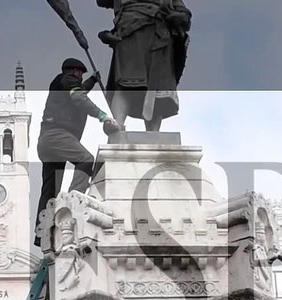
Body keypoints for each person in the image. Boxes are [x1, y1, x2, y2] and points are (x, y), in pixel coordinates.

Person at [35, 57, 120, 244]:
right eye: (81, 74)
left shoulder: (64, 84)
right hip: (57, 135)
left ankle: (43, 232)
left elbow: (77, 93)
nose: (82, 77)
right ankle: (73, 202)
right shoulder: (66, 79)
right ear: (74, 71)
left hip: (47, 141)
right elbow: (79, 97)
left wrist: (92, 81)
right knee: (86, 160)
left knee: (49, 189)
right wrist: (103, 116)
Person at [97, 0, 191, 131]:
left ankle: (153, 135)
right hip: (130, 34)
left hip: (160, 37)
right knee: (125, 85)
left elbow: (183, 13)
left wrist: (180, 17)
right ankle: (117, 125)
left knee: (157, 92)